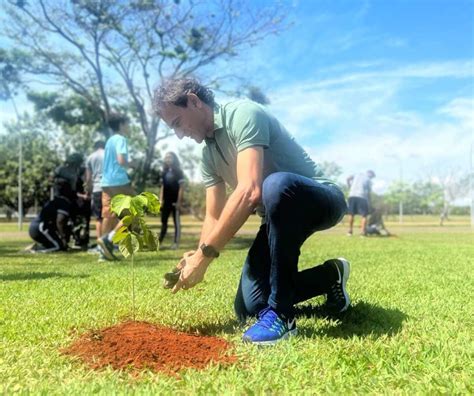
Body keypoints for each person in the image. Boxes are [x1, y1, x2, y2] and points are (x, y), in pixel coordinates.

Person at [152, 78, 349, 345]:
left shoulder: (243, 114)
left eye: (177, 122)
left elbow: (249, 191)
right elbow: (213, 215)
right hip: (277, 216)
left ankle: (283, 316)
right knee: (249, 306)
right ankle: (329, 276)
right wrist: (198, 254)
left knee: (275, 184)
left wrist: (206, 256)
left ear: (194, 101)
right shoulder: (208, 156)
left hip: (320, 199)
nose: (179, 133)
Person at [97, 113, 135, 261]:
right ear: (121, 125)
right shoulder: (120, 139)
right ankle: (109, 239)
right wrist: (133, 164)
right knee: (134, 213)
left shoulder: (109, 141)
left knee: (109, 215)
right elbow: (121, 160)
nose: (129, 127)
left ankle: (103, 254)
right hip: (119, 181)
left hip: (106, 182)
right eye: (127, 123)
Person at [28, 180, 72, 253]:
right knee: (58, 247)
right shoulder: (63, 202)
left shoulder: (55, 201)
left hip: (36, 227)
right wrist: (63, 238)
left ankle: (41, 246)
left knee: (57, 245)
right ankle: (36, 249)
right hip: (40, 228)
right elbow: (60, 221)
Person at [159, 152, 186, 250]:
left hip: (175, 202)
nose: (168, 159)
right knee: (164, 222)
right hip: (166, 201)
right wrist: (160, 199)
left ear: (174, 158)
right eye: (166, 157)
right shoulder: (164, 172)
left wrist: (179, 202)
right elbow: (162, 187)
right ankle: (159, 242)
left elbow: (182, 187)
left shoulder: (179, 172)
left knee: (176, 223)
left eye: (170, 157)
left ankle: (176, 243)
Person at [85, 140, 105, 240]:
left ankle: (100, 243)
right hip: (109, 188)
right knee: (110, 217)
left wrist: (88, 191)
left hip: (97, 189)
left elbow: (88, 179)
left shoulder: (90, 157)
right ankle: (109, 242)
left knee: (99, 218)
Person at [346, 170, 376, 236]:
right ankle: (363, 232)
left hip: (351, 195)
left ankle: (350, 232)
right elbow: (368, 193)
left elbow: (347, 178)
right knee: (364, 215)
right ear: (370, 174)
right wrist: (370, 203)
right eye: (372, 177)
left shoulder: (357, 174)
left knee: (351, 214)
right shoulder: (368, 179)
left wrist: (350, 187)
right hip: (362, 196)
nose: (372, 178)